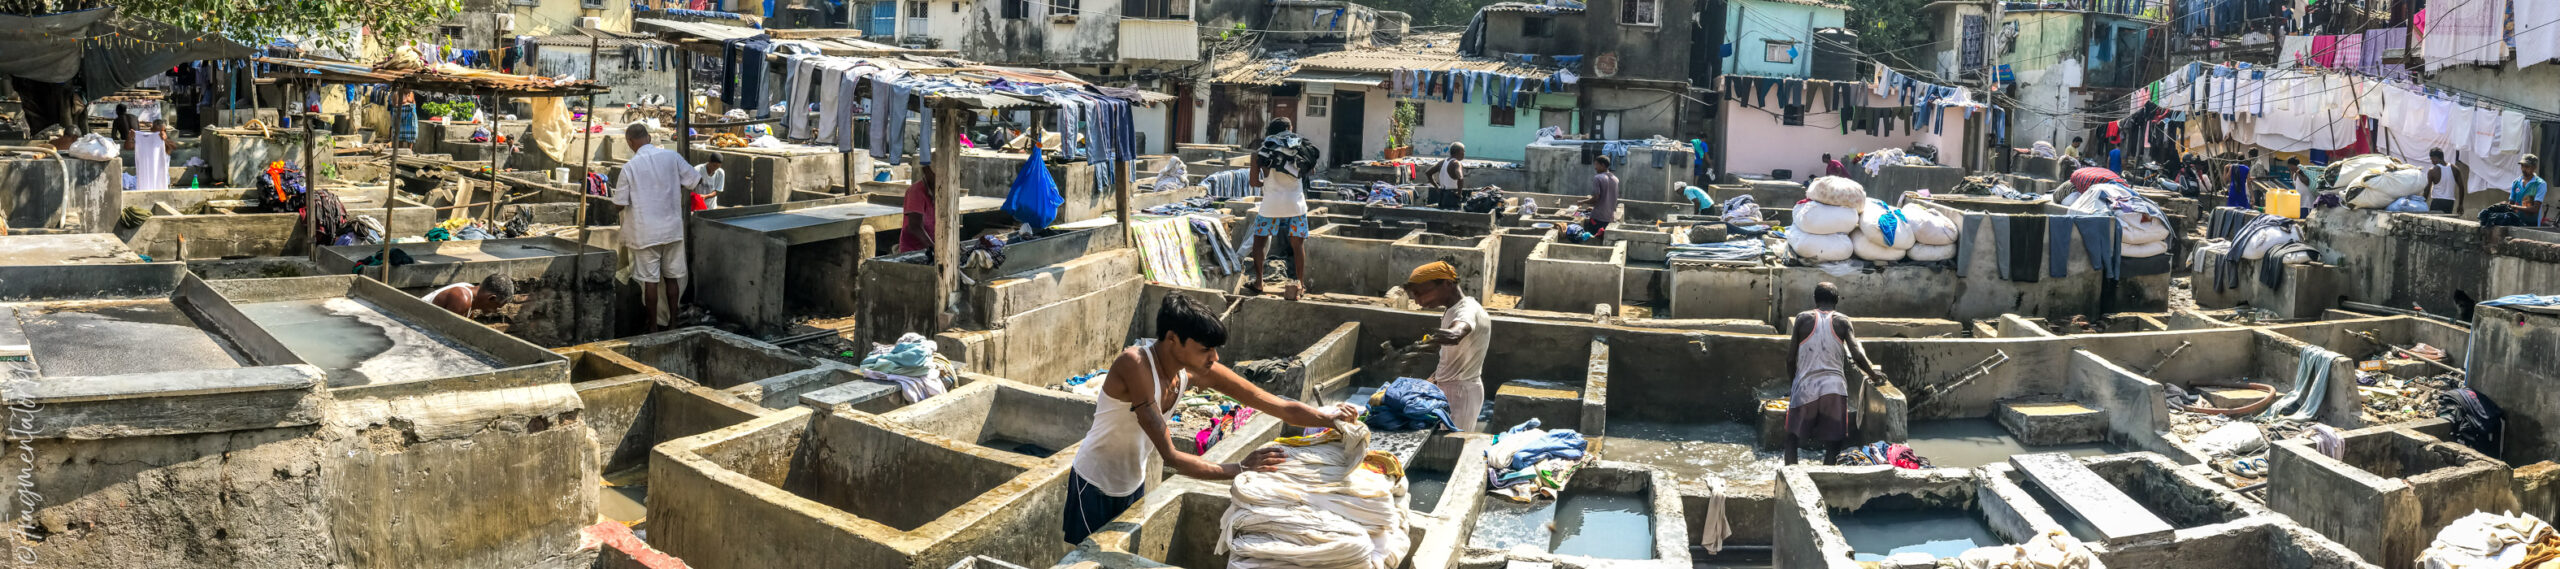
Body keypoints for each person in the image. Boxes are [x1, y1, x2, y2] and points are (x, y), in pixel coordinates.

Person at [1060, 294, 1362, 544]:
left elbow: (1267, 401)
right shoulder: (1135, 364)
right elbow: (1171, 456)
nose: (1214, 357)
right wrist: (1241, 468)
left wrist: (1324, 416)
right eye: (1205, 349)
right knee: (1087, 562)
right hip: (1095, 482)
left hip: (1133, 482)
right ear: (1172, 339)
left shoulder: (1191, 369)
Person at [612, 123, 703, 332]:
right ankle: (673, 322)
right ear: (649, 138)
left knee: (650, 282)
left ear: (630, 142)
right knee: (672, 278)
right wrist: (670, 185)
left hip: (645, 233)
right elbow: (695, 181)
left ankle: (653, 326)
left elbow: (619, 203)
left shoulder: (629, 168)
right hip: (671, 229)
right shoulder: (672, 158)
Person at [1785, 282, 1887, 466]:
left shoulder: (1802, 319)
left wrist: (1793, 385)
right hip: (1834, 388)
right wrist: (1873, 375)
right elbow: (1857, 354)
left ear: (1815, 300)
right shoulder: (1842, 321)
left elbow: (1790, 359)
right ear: (1837, 300)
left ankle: (1791, 475)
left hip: (1805, 386)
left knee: (1792, 437)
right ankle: (1826, 482)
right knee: (1833, 443)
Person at [1403, 261, 1488, 432]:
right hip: (1450, 389)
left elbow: (1457, 333)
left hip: (1461, 394)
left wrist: (1427, 343)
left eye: (1422, 294)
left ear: (1447, 284)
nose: (1418, 301)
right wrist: (1432, 381)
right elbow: (1451, 357)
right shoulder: (1452, 310)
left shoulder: (1467, 310)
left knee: (1451, 449)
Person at [1248, 118, 1315, 300]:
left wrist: (1268, 184)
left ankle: (1259, 282)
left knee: (1260, 242)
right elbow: (1311, 171)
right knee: (1297, 244)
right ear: (1289, 130)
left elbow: (1253, 182)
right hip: (1296, 204)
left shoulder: (1260, 152)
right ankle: (1300, 284)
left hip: (1270, 205)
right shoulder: (1299, 148)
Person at [2483, 155, 2547, 227]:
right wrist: (2506, 205)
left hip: (2532, 225)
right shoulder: (2516, 182)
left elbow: (2535, 209)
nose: (2523, 169)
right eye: (2522, 166)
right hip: (2515, 223)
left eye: (2527, 166)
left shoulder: (2540, 184)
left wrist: (2515, 207)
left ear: (2534, 167)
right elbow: (2511, 204)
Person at [422, 274, 520, 318]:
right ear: (491, 298)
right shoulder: (461, 298)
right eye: (496, 307)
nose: (495, 311)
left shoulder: (470, 301)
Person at [1578, 155, 1621, 233]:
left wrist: (1582, 202)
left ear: (1603, 165)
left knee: (1591, 239)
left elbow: (1596, 197)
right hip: (1609, 217)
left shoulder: (1597, 178)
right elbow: (1609, 198)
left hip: (1598, 218)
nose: (1595, 167)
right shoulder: (1615, 179)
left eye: (1596, 165)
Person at [1426, 142, 1469, 209]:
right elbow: (1460, 178)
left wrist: (1437, 187)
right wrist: (1459, 193)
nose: (1464, 153)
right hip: (1452, 197)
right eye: (1463, 151)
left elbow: (1428, 173)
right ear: (1459, 152)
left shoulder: (1442, 162)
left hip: (1441, 196)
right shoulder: (1456, 163)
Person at [2428, 148, 2464, 214]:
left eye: (2431, 159)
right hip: (2450, 202)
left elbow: (2427, 189)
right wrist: (2460, 204)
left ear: (2435, 158)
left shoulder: (2432, 171)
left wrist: (2423, 202)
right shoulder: (2455, 169)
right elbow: (2461, 187)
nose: (2432, 162)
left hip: (2437, 201)